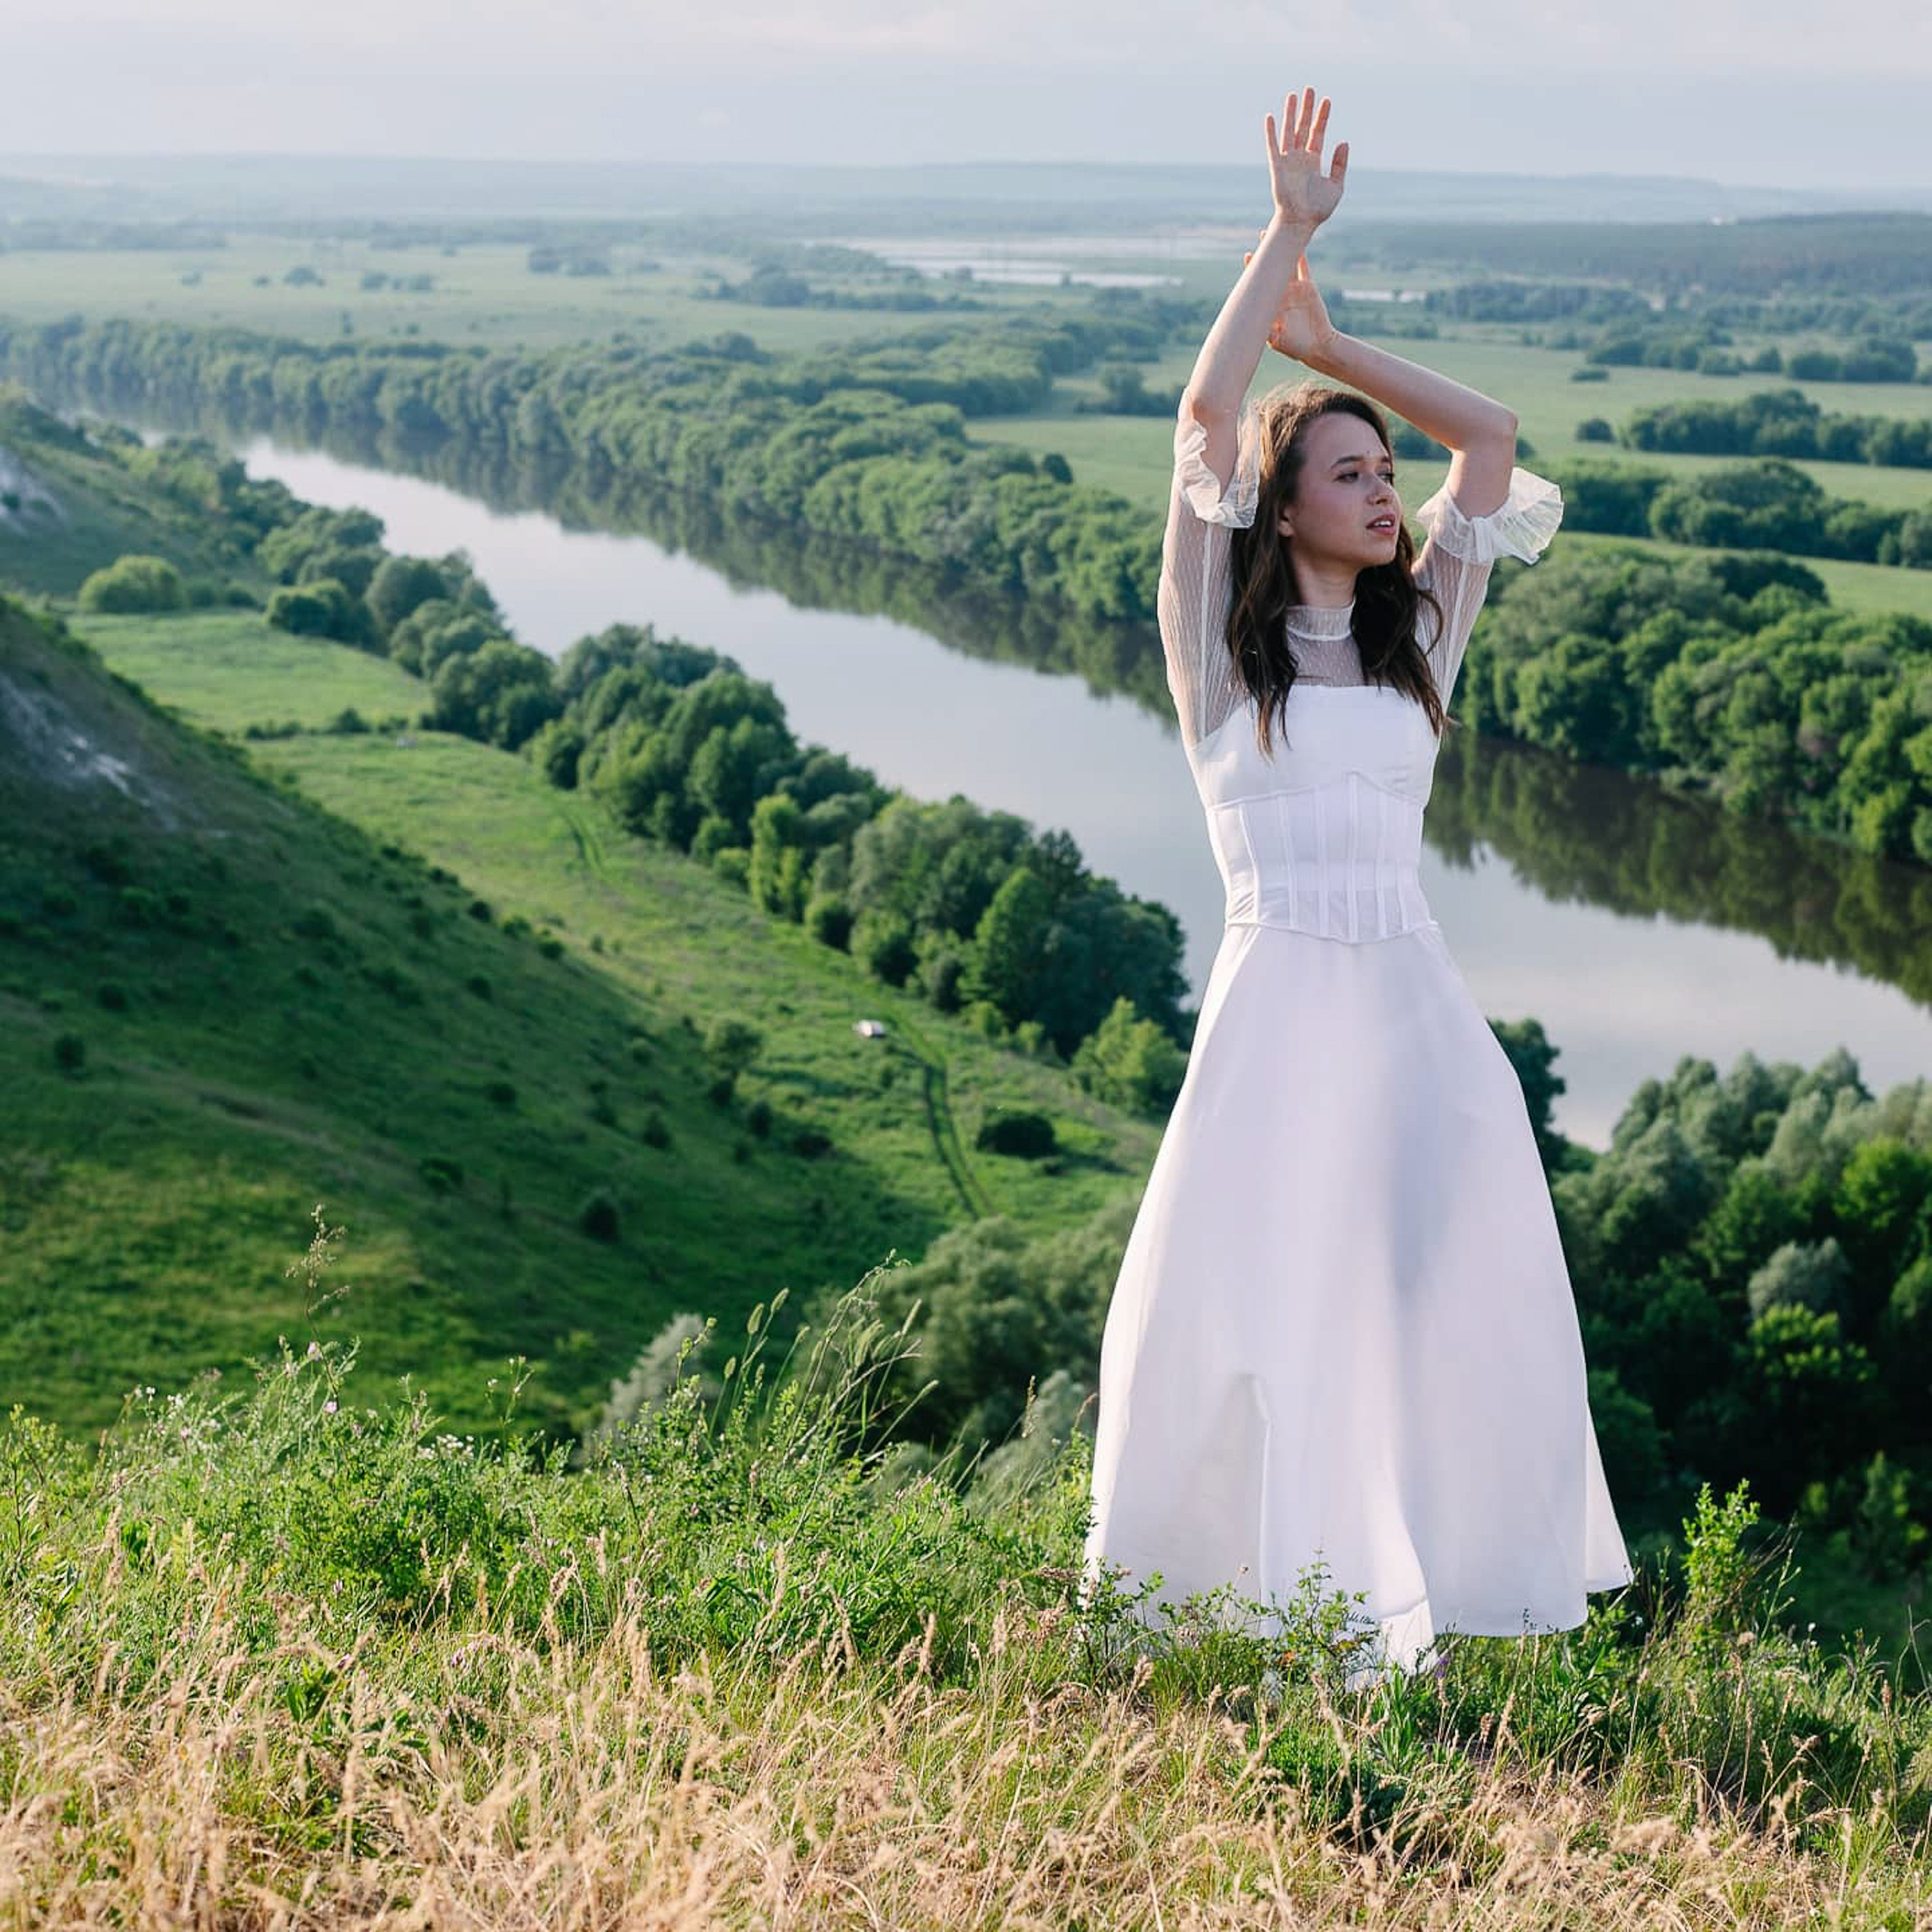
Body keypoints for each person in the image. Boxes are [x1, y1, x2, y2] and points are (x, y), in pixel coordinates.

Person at [1081, 85, 1635, 1690]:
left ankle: (1396, 1628)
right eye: (1344, 468)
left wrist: (1335, 359)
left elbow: (1492, 443)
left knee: (1435, 1324)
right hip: (1270, 1025)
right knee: (1244, 1320)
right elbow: (1201, 414)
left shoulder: (1418, 639)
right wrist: (1284, 238)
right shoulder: (1217, 652)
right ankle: (1235, 1629)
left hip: (1411, 1025)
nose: (1385, 488)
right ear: (1283, 505)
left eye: (1378, 471)